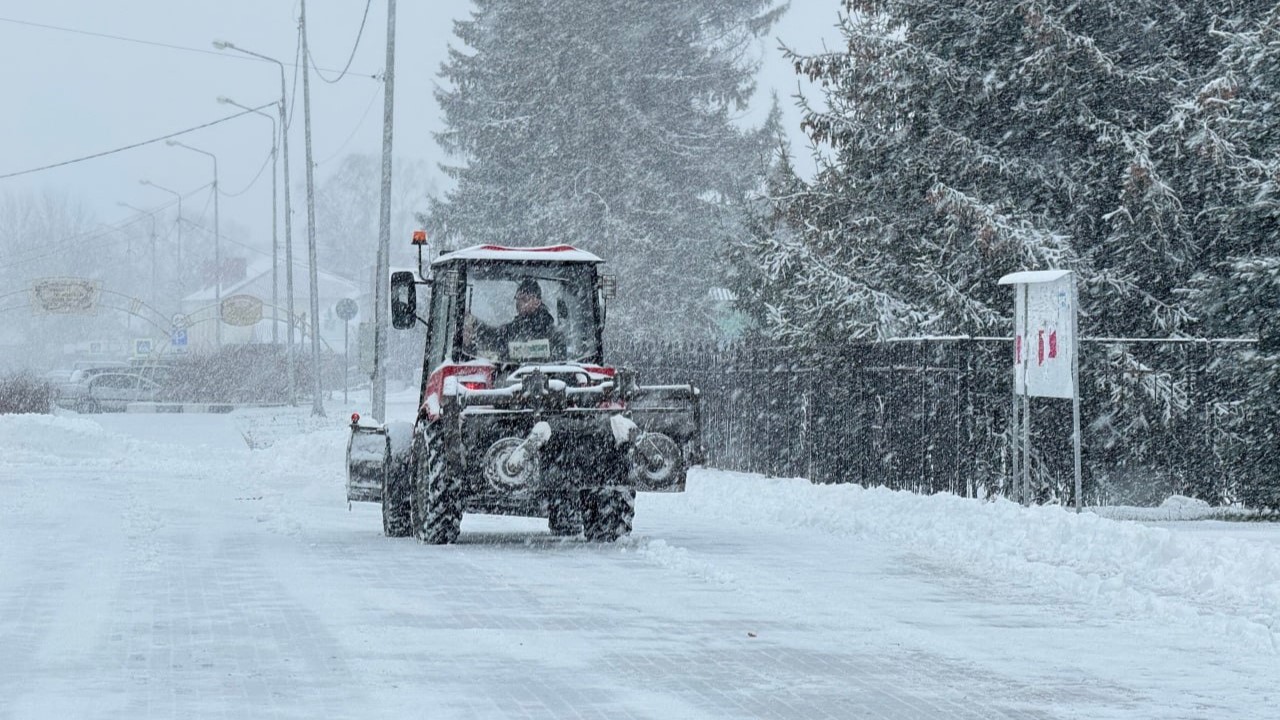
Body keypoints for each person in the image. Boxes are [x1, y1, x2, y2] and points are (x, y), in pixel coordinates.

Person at [464, 277, 563, 359]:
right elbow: (493, 336)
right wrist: (474, 325)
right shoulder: (514, 328)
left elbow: (494, 337)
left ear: (537, 302)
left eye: (525, 299)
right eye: (517, 299)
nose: (519, 303)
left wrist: (477, 327)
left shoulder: (551, 334)